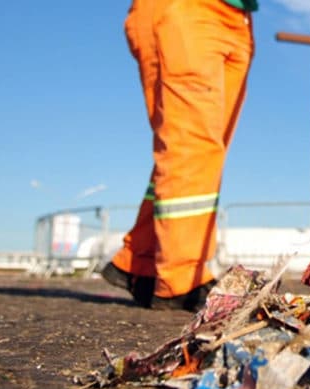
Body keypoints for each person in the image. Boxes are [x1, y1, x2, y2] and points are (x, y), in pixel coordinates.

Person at [100, 0, 258, 311]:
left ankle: (140, 261)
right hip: (185, 10)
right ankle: (181, 278)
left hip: (239, 18)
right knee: (193, 145)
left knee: (203, 154)